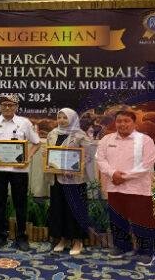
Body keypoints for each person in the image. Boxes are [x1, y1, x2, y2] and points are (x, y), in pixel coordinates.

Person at [95, 110, 155, 266]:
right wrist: (112, 173)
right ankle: (122, 247)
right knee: (117, 220)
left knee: (142, 221)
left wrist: (123, 177)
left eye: (126, 121)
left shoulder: (145, 140)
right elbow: (100, 159)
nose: (122, 124)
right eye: (119, 121)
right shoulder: (107, 139)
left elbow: (147, 164)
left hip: (138, 189)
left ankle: (146, 252)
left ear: (134, 123)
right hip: (114, 187)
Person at [0, 94, 40, 251]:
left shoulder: (24, 123)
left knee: (20, 204)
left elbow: (36, 143)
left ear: (16, 107)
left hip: (19, 170)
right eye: (4, 105)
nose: (7, 107)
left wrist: (27, 158)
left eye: (11, 105)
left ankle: (21, 237)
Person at [45, 108, 93, 255]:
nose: (61, 120)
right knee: (58, 209)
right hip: (57, 179)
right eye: (59, 117)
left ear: (72, 118)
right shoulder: (52, 133)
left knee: (75, 210)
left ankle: (77, 241)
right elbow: (48, 152)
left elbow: (88, 156)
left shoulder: (80, 135)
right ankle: (62, 239)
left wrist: (76, 167)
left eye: (65, 117)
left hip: (75, 180)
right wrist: (47, 160)